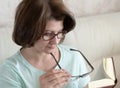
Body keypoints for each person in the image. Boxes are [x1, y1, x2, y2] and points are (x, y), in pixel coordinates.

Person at [0, 0, 91, 88]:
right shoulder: (10, 71)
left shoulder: (74, 56)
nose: (55, 41)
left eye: (59, 32)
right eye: (47, 34)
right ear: (28, 31)